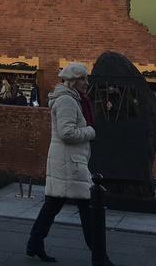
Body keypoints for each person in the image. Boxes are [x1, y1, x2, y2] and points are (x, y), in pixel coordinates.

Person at [27, 62, 115, 265]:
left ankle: (34, 244)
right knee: (88, 207)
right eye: (83, 79)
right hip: (69, 163)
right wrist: (90, 131)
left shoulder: (74, 99)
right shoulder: (67, 101)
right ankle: (100, 255)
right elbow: (66, 133)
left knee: (53, 205)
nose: (86, 82)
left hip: (68, 161)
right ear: (73, 81)